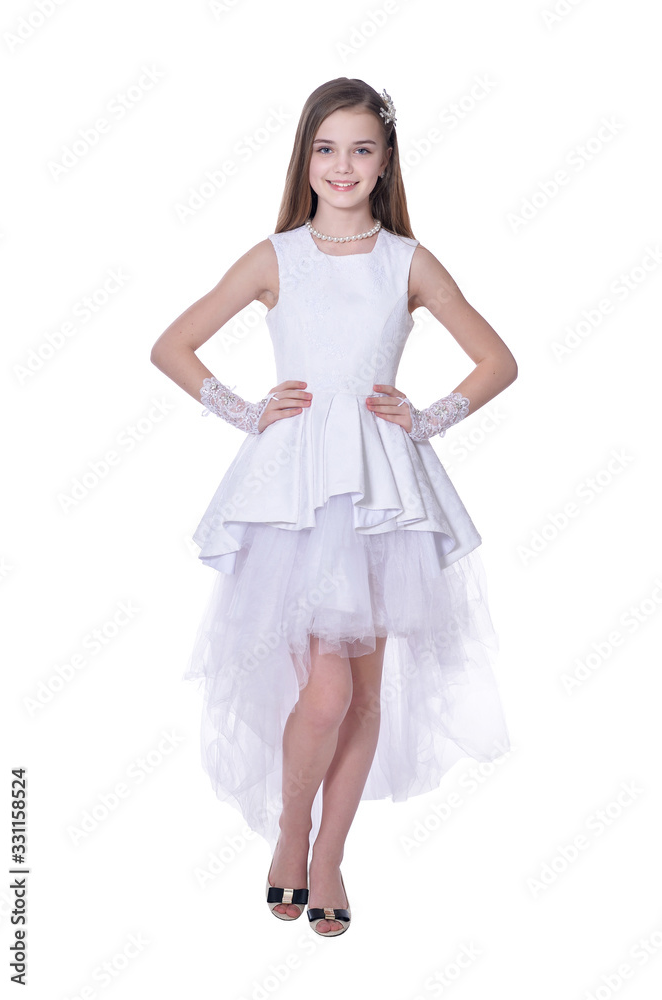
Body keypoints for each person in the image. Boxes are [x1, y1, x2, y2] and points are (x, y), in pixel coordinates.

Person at [150, 77, 518, 937]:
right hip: (301, 495)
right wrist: (247, 410)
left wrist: (427, 420)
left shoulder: (407, 263)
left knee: (360, 696)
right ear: (305, 159)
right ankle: (289, 832)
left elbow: (496, 360)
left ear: (385, 161)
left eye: (361, 148)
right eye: (326, 148)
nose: (342, 164)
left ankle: (328, 856)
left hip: (384, 497)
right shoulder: (277, 257)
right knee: (324, 693)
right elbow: (172, 344)